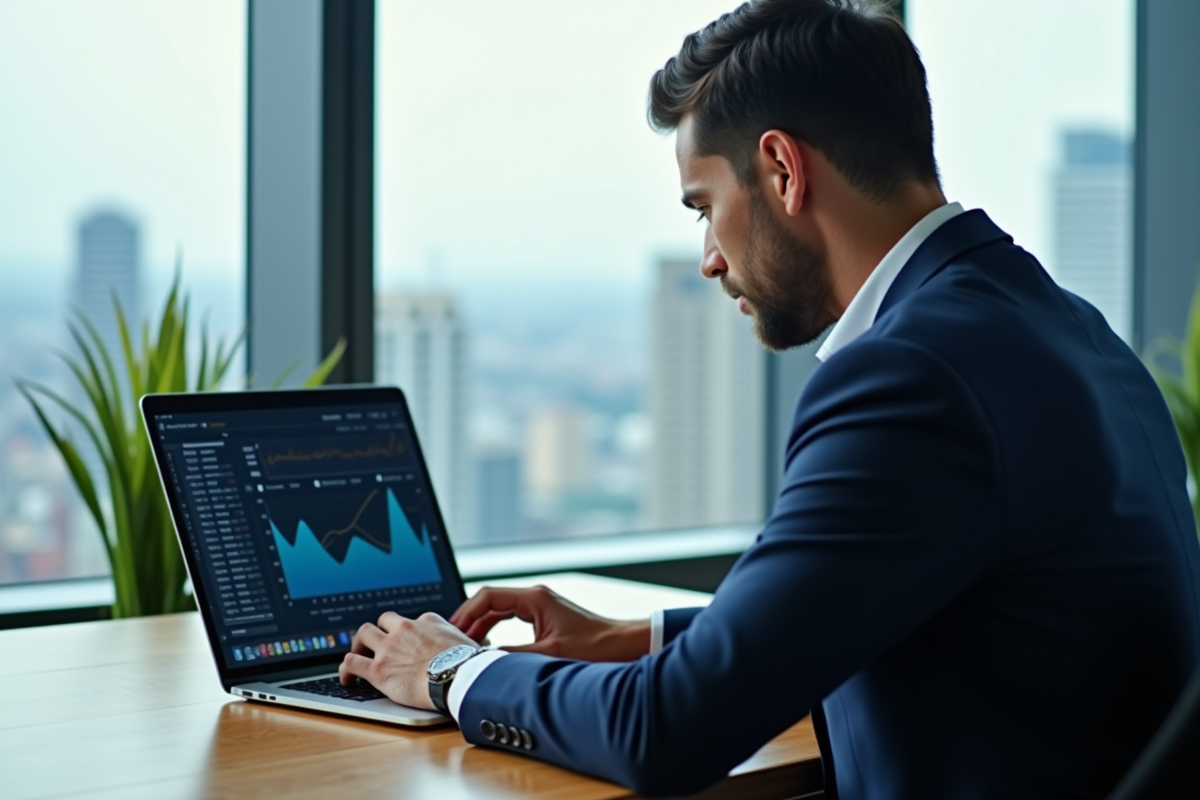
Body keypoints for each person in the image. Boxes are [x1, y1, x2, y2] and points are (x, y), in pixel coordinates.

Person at [340, 1, 1200, 797]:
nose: (709, 258)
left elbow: (666, 730)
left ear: (783, 170)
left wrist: (451, 671)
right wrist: (633, 637)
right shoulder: (1068, 329)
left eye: (704, 207)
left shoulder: (909, 377)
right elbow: (911, 596)